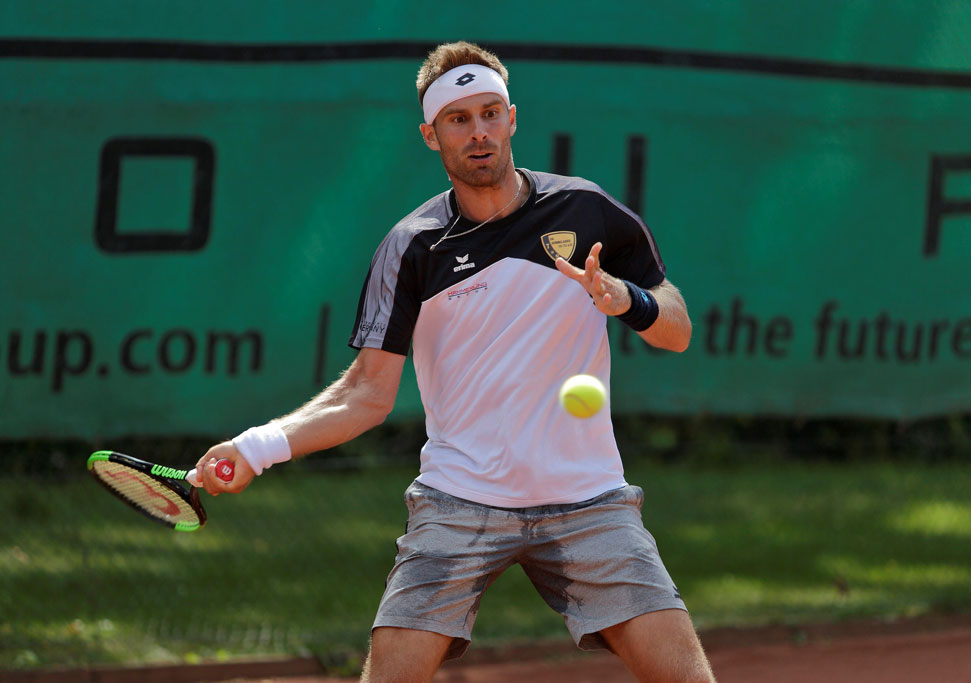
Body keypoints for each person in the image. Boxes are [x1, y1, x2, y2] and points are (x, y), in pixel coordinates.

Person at [196, 41, 715, 683]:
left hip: (589, 498)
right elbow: (365, 395)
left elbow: (678, 329)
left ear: (513, 118)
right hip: (461, 499)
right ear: (430, 135)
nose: (479, 133)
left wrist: (625, 298)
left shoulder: (588, 211)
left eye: (490, 113)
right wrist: (252, 450)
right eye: (458, 119)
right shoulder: (412, 248)